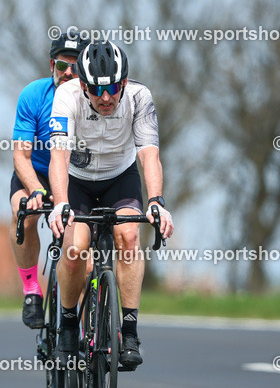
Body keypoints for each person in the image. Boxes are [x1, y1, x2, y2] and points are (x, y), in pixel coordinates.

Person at [48, 41, 175, 370]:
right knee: (75, 249)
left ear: (124, 82)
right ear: (83, 84)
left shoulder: (139, 97)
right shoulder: (67, 97)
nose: (106, 98)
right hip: (76, 182)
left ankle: (129, 332)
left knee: (130, 238)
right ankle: (66, 323)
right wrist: (60, 203)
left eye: (113, 89)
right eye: (97, 91)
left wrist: (157, 201)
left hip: (120, 178)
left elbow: (149, 154)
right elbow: (59, 156)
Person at [10, 29, 88, 328]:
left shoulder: (92, 100)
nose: (68, 73)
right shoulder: (33, 95)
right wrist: (37, 190)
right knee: (24, 212)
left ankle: (87, 322)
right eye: (61, 66)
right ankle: (31, 290)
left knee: (82, 254)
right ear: (50, 65)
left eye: (76, 67)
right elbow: (21, 156)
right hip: (39, 172)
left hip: (76, 175)